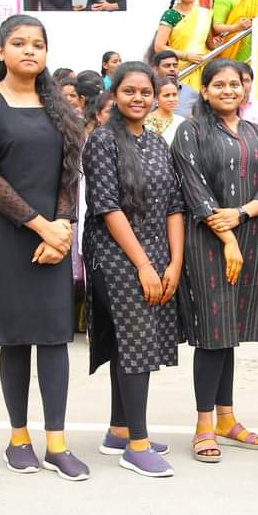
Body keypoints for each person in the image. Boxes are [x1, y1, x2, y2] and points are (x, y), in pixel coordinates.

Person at [0, 14, 86, 479]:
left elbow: (69, 175)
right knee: (15, 337)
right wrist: (40, 226)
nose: (29, 50)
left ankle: (57, 443)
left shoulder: (59, 108)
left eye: (37, 43)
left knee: (54, 336)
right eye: (18, 43)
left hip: (51, 232)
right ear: (1, 51)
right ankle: (18, 437)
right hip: (3, 232)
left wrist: (63, 226)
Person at [171, 58, 258, 464]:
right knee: (212, 333)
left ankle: (227, 419)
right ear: (205, 90)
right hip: (207, 243)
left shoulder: (255, 132)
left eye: (235, 84)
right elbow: (194, 189)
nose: (229, 90)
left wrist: (242, 214)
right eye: (219, 84)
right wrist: (227, 236)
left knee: (229, 332)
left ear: (244, 88)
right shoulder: (191, 131)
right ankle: (204, 425)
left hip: (250, 237)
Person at [83, 61, 182, 477]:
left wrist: (175, 262)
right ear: (114, 94)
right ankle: (137, 446)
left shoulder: (157, 142)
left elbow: (174, 204)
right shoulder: (102, 140)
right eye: (129, 91)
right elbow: (107, 207)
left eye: (145, 92)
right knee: (136, 343)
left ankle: (119, 430)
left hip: (157, 254)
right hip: (115, 256)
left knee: (133, 343)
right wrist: (142, 263)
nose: (138, 98)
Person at [151, 0, 211, 92]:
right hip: (182, 68)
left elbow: (208, 43)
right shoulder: (171, 15)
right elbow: (159, 46)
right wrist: (186, 56)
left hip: (202, 65)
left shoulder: (203, 13)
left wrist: (216, 43)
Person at [151, 50, 198, 118]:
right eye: (167, 66)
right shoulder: (147, 92)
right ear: (155, 69)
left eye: (175, 66)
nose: (172, 69)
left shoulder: (191, 93)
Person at [143, 76, 183, 143]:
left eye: (174, 95)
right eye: (166, 95)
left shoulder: (181, 121)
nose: (171, 99)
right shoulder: (146, 121)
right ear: (156, 98)